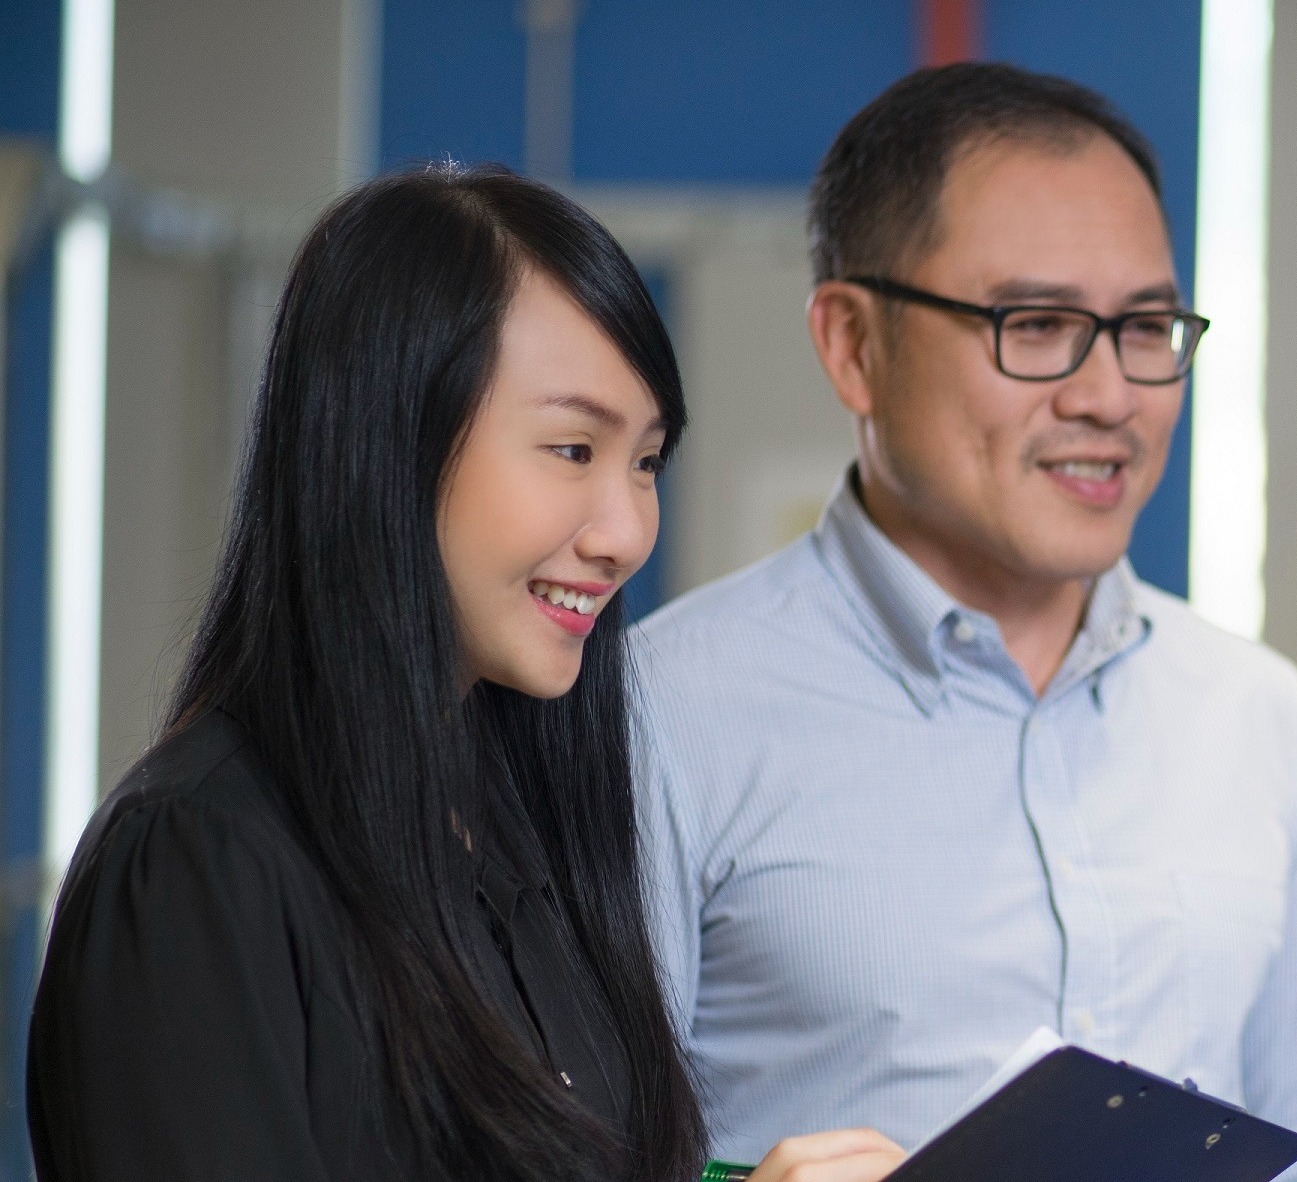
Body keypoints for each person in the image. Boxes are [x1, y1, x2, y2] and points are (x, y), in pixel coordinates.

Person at [27, 165, 903, 1182]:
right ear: (386, 445)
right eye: (573, 449)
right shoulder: (199, 863)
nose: (625, 533)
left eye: (647, 463)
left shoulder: (522, 832)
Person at [631, 62, 1297, 1177]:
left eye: (1146, 327)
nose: (1108, 396)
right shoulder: (663, 712)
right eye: (1035, 325)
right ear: (852, 345)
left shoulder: (1252, 712)